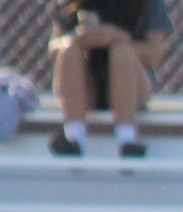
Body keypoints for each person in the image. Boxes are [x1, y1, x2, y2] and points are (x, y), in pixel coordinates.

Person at [47, 0, 169, 158]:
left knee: (121, 52)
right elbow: (53, 49)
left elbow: (154, 53)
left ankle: (127, 140)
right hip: (86, 88)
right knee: (68, 51)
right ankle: (74, 137)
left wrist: (117, 37)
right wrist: (78, 38)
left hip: (131, 88)